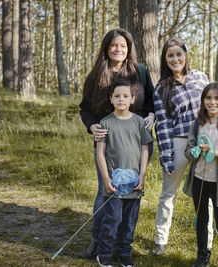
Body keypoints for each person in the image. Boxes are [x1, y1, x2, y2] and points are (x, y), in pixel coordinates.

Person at [79, 28, 155, 259]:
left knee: (131, 190)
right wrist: (92, 126)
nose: (118, 49)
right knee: (106, 189)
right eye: (113, 45)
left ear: (129, 48)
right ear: (106, 48)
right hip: (107, 140)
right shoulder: (96, 75)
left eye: (123, 45)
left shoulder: (139, 72)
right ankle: (98, 241)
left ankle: (123, 245)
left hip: (138, 140)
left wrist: (151, 115)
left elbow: (152, 101)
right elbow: (85, 108)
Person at [152, 37, 215, 255]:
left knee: (204, 195)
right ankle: (161, 240)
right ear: (165, 59)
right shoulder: (161, 88)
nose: (175, 59)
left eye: (179, 54)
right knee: (169, 192)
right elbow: (162, 126)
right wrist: (167, 157)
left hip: (203, 143)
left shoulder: (200, 77)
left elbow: (212, 104)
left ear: (185, 55)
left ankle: (206, 243)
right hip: (178, 143)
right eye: (170, 55)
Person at [95, 77, 153, 267]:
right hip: (114, 184)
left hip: (134, 183)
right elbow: (100, 153)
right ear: (111, 99)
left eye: (125, 96)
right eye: (117, 96)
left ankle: (124, 252)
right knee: (112, 219)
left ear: (132, 99)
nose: (121, 99)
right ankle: (104, 253)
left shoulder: (138, 122)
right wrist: (105, 179)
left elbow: (145, 149)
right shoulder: (105, 123)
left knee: (129, 222)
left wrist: (142, 175)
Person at [183, 82, 218, 267]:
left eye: (217, 98)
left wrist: (216, 153)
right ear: (203, 100)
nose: (212, 102)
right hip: (199, 178)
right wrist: (197, 151)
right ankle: (202, 257)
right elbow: (188, 150)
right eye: (208, 98)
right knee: (201, 219)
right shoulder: (197, 124)